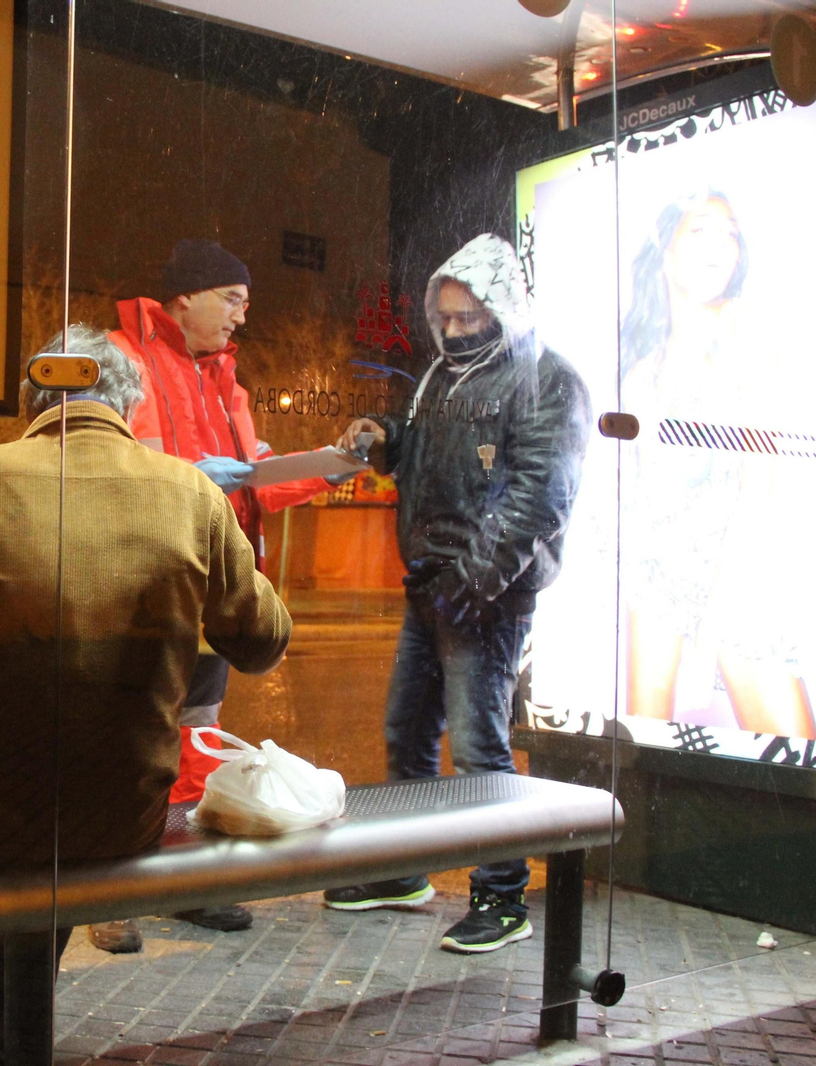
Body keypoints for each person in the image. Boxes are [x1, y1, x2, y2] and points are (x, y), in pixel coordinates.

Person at [0, 325, 292, 1066]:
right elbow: (262, 642)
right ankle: (15, 1028)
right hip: (126, 808)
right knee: (75, 807)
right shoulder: (190, 493)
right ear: (129, 406)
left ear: (33, 401)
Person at [330, 233, 591, 953]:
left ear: (500, 308)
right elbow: (427, 456)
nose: (450, 330)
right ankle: (402, 870)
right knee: (408, 733)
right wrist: (386, 437)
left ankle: (502, 897)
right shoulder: (442, 377)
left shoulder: (546, 379)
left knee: (479, 749)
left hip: (486, 596)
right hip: (434, 585)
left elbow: (537, 499)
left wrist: (471, 585)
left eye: (466, 317)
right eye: (443, 317)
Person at [98, 237, 350, 950]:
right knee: (129, 739)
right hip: (143, 582)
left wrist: (325, 468)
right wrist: (192, 474)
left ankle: (186, 882)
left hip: (211, 585)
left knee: (196, 736)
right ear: (186, 298)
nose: (242, 315)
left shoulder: (225, 380)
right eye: (233, 300)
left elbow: (255, 478)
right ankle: (106, 894)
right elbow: (106, 460)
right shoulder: (121, 358)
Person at [618, 192, 816, 739]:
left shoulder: (746, 328)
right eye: (700, 229)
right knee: (643, 744)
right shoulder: (643, 369)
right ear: (666, 252)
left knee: (796, 759)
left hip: (740, 574)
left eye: (729, 232)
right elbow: (643, 502)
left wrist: (709, 632)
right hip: (660, 576)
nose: (720, 245)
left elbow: (760, 482)